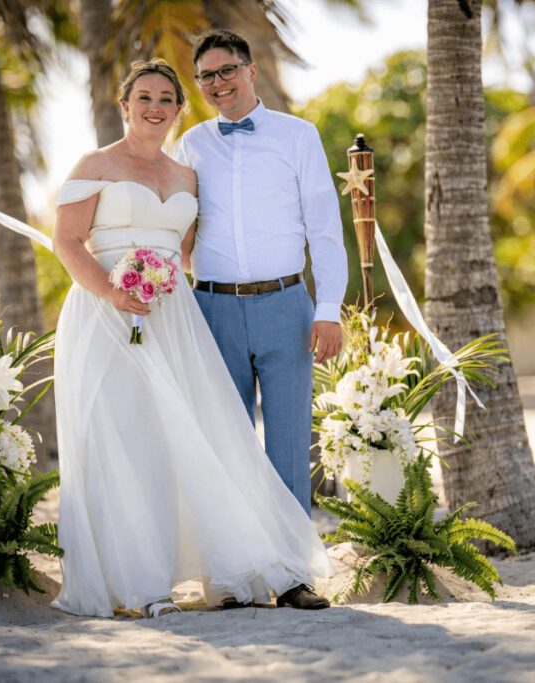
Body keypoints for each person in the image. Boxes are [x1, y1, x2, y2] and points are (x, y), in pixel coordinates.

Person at [49, 59, 332, 618]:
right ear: (124, 105)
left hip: (174, 316)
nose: (155, 107)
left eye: (166, 99)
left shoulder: (186, 175)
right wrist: (113, 292)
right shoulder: (95, 164)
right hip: (106, 314)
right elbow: (67, 242)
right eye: (144, 97)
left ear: (179, 109)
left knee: (180, 438)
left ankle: (231, 570)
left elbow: (185, 254)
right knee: (123, 438)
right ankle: (141, 587)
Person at [174, 30, 348, 517]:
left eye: (227, 70)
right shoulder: (190, 144)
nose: (218, 83)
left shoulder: (298, 135)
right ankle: (234, 561)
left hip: (286, 307)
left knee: (290, 443)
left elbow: (325, 229)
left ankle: (293, 558)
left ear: (251, 70)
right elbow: (174, 226)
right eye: (206, 76)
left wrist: (329, 309)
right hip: (213, 309)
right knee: (224, 442)